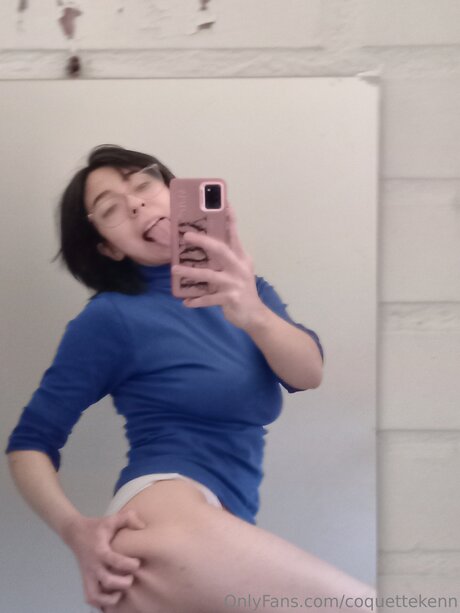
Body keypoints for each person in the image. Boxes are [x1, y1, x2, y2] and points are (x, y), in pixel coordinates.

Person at [5, 145, 375, 613]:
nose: (135, 203)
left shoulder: (247, 291)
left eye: (143, 184)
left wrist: (253, 313)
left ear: (175, 194)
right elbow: (30, 443)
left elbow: (308, 374)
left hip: (224, 521)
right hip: (161, 519)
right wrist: (76, 532)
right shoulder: (109, 317)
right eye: (110, 208)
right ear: (108, 247)